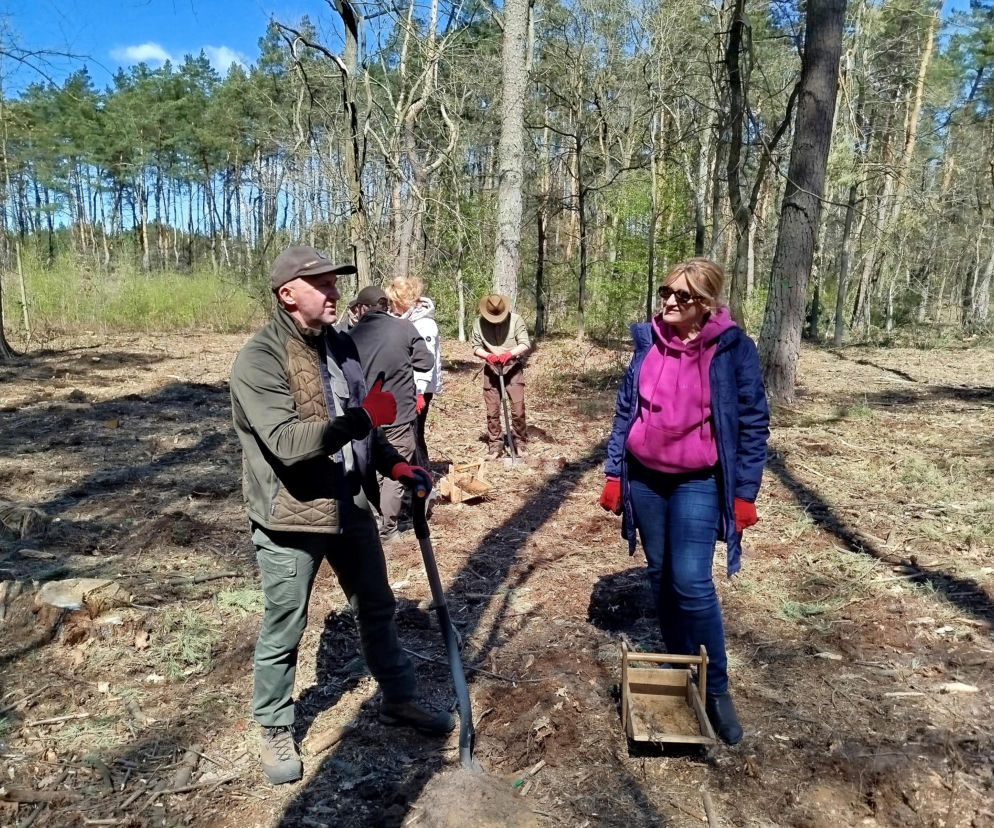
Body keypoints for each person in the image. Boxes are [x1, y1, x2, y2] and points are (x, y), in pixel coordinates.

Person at [230, 246, 452, 786]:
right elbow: (286, 442)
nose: (334, 293)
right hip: (290, 512)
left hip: (348, 500)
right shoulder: (258, 359)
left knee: (377, 605)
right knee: (286, 622)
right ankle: (276, 725)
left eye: (335, 283)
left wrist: (396, 465)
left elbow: (367, 429)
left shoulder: (342, 346)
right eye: (321, 284)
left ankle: (399, 698)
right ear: (288, 294)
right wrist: (356, 421)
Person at [598, 258, 769, 745]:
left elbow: (753, 421)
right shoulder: (648, 343)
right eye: (666, 291)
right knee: (659, 574)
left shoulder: (733, 350)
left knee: (691, 580)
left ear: (707, 305)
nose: (670, 301)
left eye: (683, 296)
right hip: (646, 478)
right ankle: (679, 668)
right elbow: (626, 409)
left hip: (698, 479)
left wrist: (743, 493)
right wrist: (614, 472)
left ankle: (715, 688)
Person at [348, 285, 434, 541]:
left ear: (363, 308)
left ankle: (376, 520)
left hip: (365, 414)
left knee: (372, 465)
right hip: (399, 413)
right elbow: (425, 362)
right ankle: (388, 530)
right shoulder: (405, 328)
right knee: (397, 467)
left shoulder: (351, 336)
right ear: (385, 306)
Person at [385, 276, 442, 467]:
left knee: (415, 433)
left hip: (420, 389)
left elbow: (426, 360)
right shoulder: (403, 321)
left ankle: (423, 477)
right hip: (406, 386)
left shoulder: (425, 324)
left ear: (402, 301)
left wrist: (419, 392)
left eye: (393, 302)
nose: (391, 307)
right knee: (409, 431)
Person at [471, 294, 531, 460]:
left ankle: (520, 443)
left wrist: (509, 354)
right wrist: (488, 356)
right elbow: (475, 347)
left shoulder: (516, 320)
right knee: (493, 411)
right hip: (491, 370)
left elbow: (525, 343)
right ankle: (495, 445)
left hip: (512, 368)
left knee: (518, 410)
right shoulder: (479, 323)